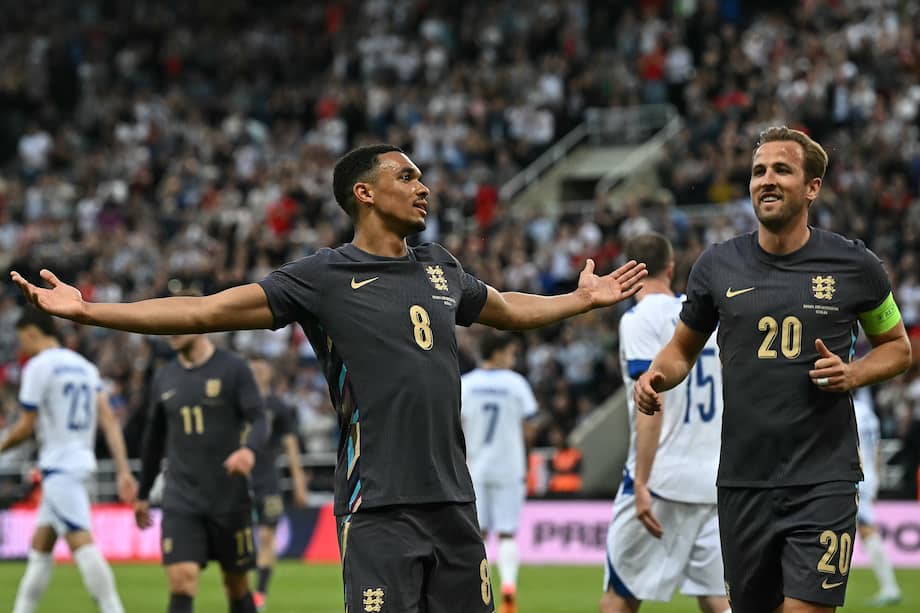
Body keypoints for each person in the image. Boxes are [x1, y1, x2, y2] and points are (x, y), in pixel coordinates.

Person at [11, 143, 647, 613]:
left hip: (455, 501)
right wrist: (90, 310)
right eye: (407, 176)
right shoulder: (322, 278)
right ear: (363, 194)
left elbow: (509, 309)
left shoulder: (440, 266)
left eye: (422, 177)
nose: (424, 187)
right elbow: (204, 310)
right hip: (379, 506)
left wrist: (578, 301)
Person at [634, 126, 912, 613]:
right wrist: (656, 376)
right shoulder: (717, 266)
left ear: (812, 187)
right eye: (759, 171)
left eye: (782, 170)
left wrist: (854, 373)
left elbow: (898, 348)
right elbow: (680, 350)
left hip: (823, 478)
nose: (767, 179)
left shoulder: (855, 265)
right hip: (743, 482)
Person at [602, 233, 729, 613]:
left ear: (629, 272)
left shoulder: (639, 319)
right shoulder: (704, 318)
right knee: (717, 599)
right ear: (671, 269)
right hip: (714, 480)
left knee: (620, 597)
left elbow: (651, 400)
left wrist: (641, 481)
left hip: (662, 479)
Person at [1, 308, 137, 613]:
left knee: (82, 543)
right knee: (40, 548)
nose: (21, 347)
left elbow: (25, 427)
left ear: (32, 333)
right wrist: (123, 470)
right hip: (79, 462)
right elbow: (109, 421)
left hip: (59, 467)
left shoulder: (38, 367)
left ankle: (114, 609)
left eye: (22, 339)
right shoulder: (85, 367)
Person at [133, 318, 269, 613]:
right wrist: (143, 494)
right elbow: (153, 443)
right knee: (181, 581)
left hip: (229, 497)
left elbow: (259, 418)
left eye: (178, 321)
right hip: (181, 497)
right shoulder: (164, 377)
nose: (170, 330)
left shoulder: (234, 368)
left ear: (200, 322)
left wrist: (249, 451)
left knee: (236, 584)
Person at [460, 331, 538, 613]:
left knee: (476, 534)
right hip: (510, 467)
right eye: (510, 353)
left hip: (475, 468)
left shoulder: (466, 384)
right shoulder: (516, 384)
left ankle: (478, 591)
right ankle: (508, 591)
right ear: (498, 353)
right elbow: (529, 427)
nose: (513, 359)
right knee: (507, 533)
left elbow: (455, 426)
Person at [247, 357, 310, 612]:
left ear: (270, 373)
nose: (257, 372)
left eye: (261, 368)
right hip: (237, 480)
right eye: (253, 368)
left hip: (267, 480)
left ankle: (260, 593)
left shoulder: (278, 407)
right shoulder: (238, 401)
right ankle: (241, 590)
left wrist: (299, 483)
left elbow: (291, 445)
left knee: (266, 535)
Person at [852, 386, 902, 606]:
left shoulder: (849, 410)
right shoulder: (868, 412)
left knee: (866, 528)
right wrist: (876, 479)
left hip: (856, 476)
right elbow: (877, 448)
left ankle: (890, 588)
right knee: (865, 529)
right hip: (869, 475)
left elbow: (852, 447)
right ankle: (889, 587)